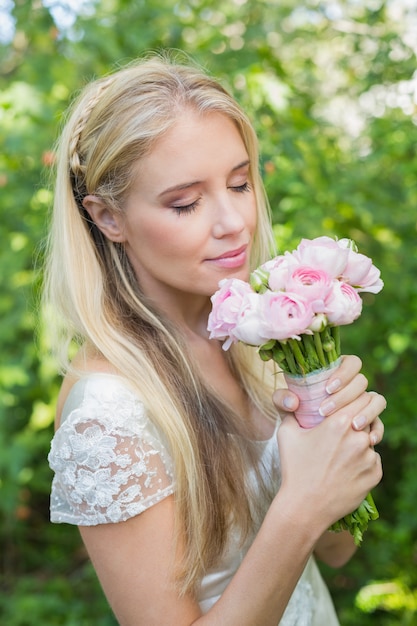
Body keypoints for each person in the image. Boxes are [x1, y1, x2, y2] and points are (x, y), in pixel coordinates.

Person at [45, 51, 385, 626]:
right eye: (186, 202)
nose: (233, 222)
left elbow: (336, 551)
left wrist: (339, 454)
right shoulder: (107, 413)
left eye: (239, 182)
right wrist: (302, 505)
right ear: (107, 219)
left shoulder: (257, 338)